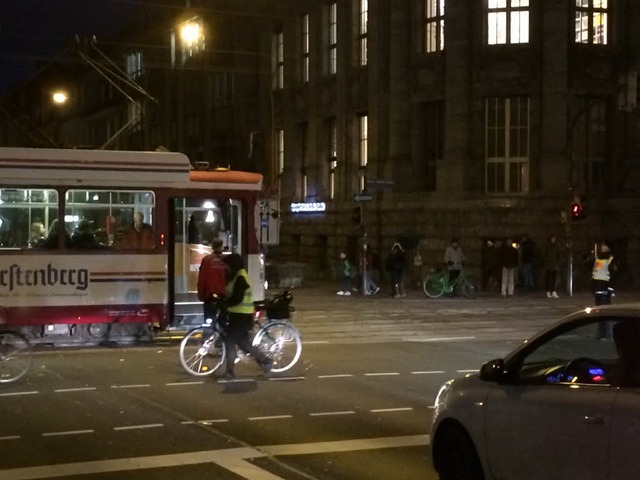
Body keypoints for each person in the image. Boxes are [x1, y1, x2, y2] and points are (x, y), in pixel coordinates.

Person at [220, 253, 273, 380]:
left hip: (242, 315)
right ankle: (265, 361)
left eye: (226, 265)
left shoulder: (241, 278)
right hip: (238, 314)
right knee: (244, 343)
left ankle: (229, 371)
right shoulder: (236, 276)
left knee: (230, 341)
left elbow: (237, 298)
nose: (225, 267)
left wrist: (224, 305)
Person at [585, 241, 618, 339]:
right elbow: (590, 268)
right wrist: (586, 257)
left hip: (604, 289)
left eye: (604, 245)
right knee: (599, 313)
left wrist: (610, 289)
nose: (602, 246)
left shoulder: (611, 259)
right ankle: (601, 334)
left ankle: (607, 335)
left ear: (608, 247)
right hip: (597, 289)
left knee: (605, 313)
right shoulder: (598, 258)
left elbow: (614, 275)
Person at [197, 238, 227, 324]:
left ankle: (208, 333)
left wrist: (201, 293)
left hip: (209, 295)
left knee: (208, 320)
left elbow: (202, 278)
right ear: (222, 247)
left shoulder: (206, 260)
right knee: (223, 320)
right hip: (223, 294)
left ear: (212, 247)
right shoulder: (226, 260)